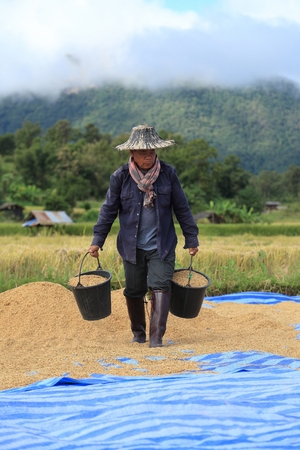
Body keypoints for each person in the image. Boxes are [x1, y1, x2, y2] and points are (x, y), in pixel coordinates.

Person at [89, 125, 199, 347]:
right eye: (142, 153)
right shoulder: (120, 177)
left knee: (160, 286)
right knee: (134, 290)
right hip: (132, 247)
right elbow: (108, 211)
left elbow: (182, 208)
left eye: (151, 152)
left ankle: (156, 339)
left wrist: (191, 238)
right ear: (132, 154)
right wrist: (97, 241)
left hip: (162, 245)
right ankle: (139, 334)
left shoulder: (168, 174)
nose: (148, 157)